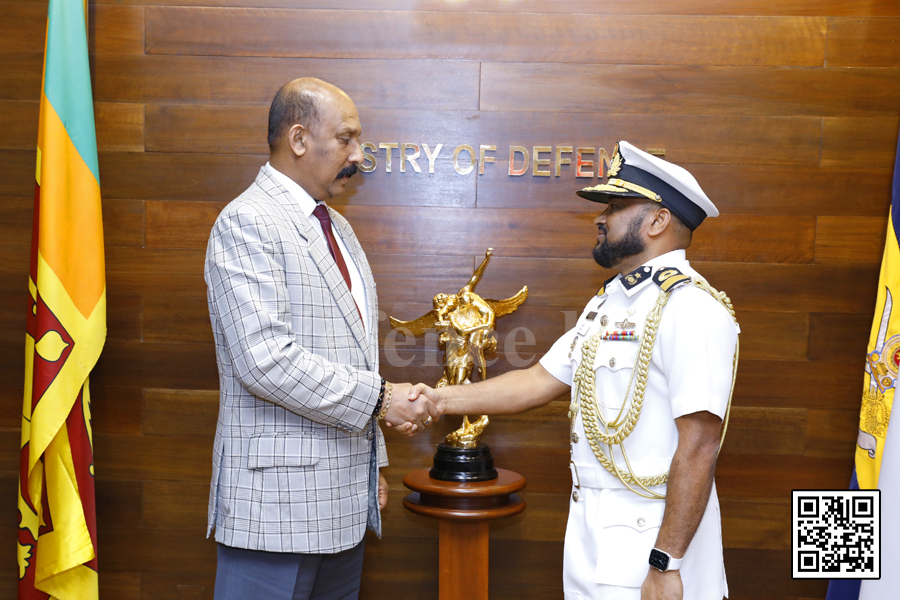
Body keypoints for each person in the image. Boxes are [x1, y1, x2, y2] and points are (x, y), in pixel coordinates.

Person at [413, 141, 740, 600]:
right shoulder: (609, 303)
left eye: (615, 206)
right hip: (592, 542)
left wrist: (667, 563)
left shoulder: (691, 308)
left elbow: (701, 443)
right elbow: (538, 381)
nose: (600, 218)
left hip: (654, 550)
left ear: (659, 220)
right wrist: (437, 398)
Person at [204, 78, 438, 600]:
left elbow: (354, 352)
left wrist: (372, 465)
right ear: (299, 139)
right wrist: (382, 400)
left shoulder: (337, 227)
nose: (360, 154)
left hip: (343, 506)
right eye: (348, 139)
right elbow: (265, 360)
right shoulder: (247, 222)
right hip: (275, 510)